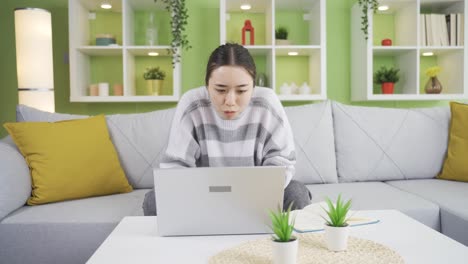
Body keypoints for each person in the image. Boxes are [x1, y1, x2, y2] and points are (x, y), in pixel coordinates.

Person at [143, 43, 311, 216]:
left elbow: (282, 162)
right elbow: (175, 168)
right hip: (202, 197)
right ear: (207, 85)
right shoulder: (191, 103)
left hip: (258, 198)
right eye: (221, 90)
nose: (230, 101)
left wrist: (254, 194)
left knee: (296, 193)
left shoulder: (267, 102)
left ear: (253, 86)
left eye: (241, 90)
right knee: (153, 201)